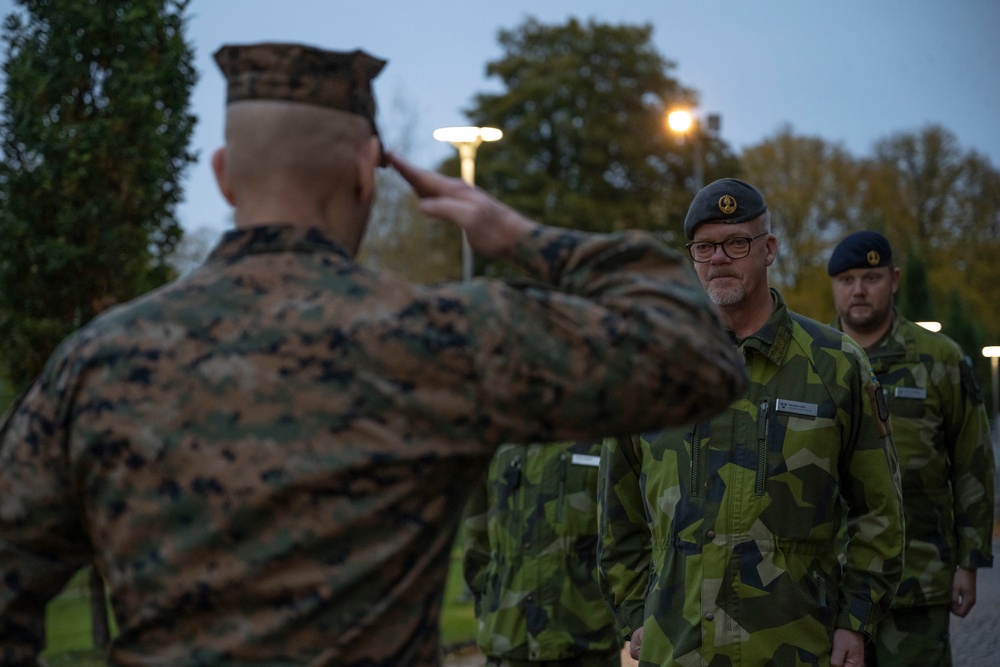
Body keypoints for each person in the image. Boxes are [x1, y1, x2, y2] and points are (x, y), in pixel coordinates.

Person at [0, 42, 748, 666]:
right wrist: (517, 236)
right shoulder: (436, 338)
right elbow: (697, 352)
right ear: (368, 170)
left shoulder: (95, 362)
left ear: (224, 173)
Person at [598, 178, 905, 667]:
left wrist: (856, 619)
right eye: (704, 247)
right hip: (676, 647)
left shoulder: (835, 365)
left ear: (769, 249)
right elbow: (617, 516)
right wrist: (635, 611)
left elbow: (881, 513)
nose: (719, 258)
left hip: (796, 645)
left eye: (736, 242)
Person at [827, 230, 995, 667]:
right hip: (830, 584)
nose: (858, 290)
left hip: (919, 580)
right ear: (833, 286)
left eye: (871, 277)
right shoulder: (814, 362)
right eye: (846, 280)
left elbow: (972, 463)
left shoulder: (940, 359)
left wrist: (969, 561)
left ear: (895, 279)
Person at [462, 440, 621, 667]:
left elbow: (628, 535)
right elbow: (475, 540)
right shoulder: (496, 442)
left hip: (588, 639)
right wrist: (490, 603)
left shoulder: (604, 438)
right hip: (510, 641)